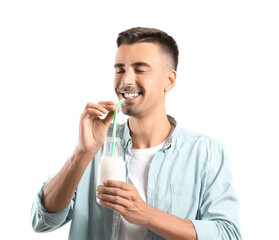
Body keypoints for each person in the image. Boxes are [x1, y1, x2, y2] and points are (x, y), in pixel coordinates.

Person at [31, 27, 242, 240]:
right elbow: (43, 221)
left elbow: (227, 234)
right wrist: (82, 153)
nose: (126, 81)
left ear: (169, 80)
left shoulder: (206, 153)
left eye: (140, 69)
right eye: (120, 69)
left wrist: (146, 215)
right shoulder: (96, 145)